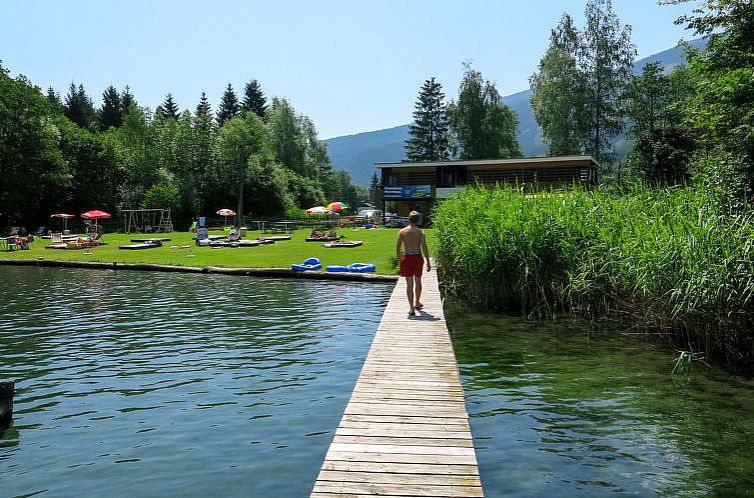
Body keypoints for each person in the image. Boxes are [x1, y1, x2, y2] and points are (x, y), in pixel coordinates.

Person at [395, 210, 431, 317]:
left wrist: (399, 259)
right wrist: (428, 261)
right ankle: (417, 302)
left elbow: (397, 248)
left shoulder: (402, 232)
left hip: (407, 257)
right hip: (417, 257)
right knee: (418, 281)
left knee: (409, 284)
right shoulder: (420, 232)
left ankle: (411, 308)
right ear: (418, 220)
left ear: (408, 219)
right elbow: (424, 247)